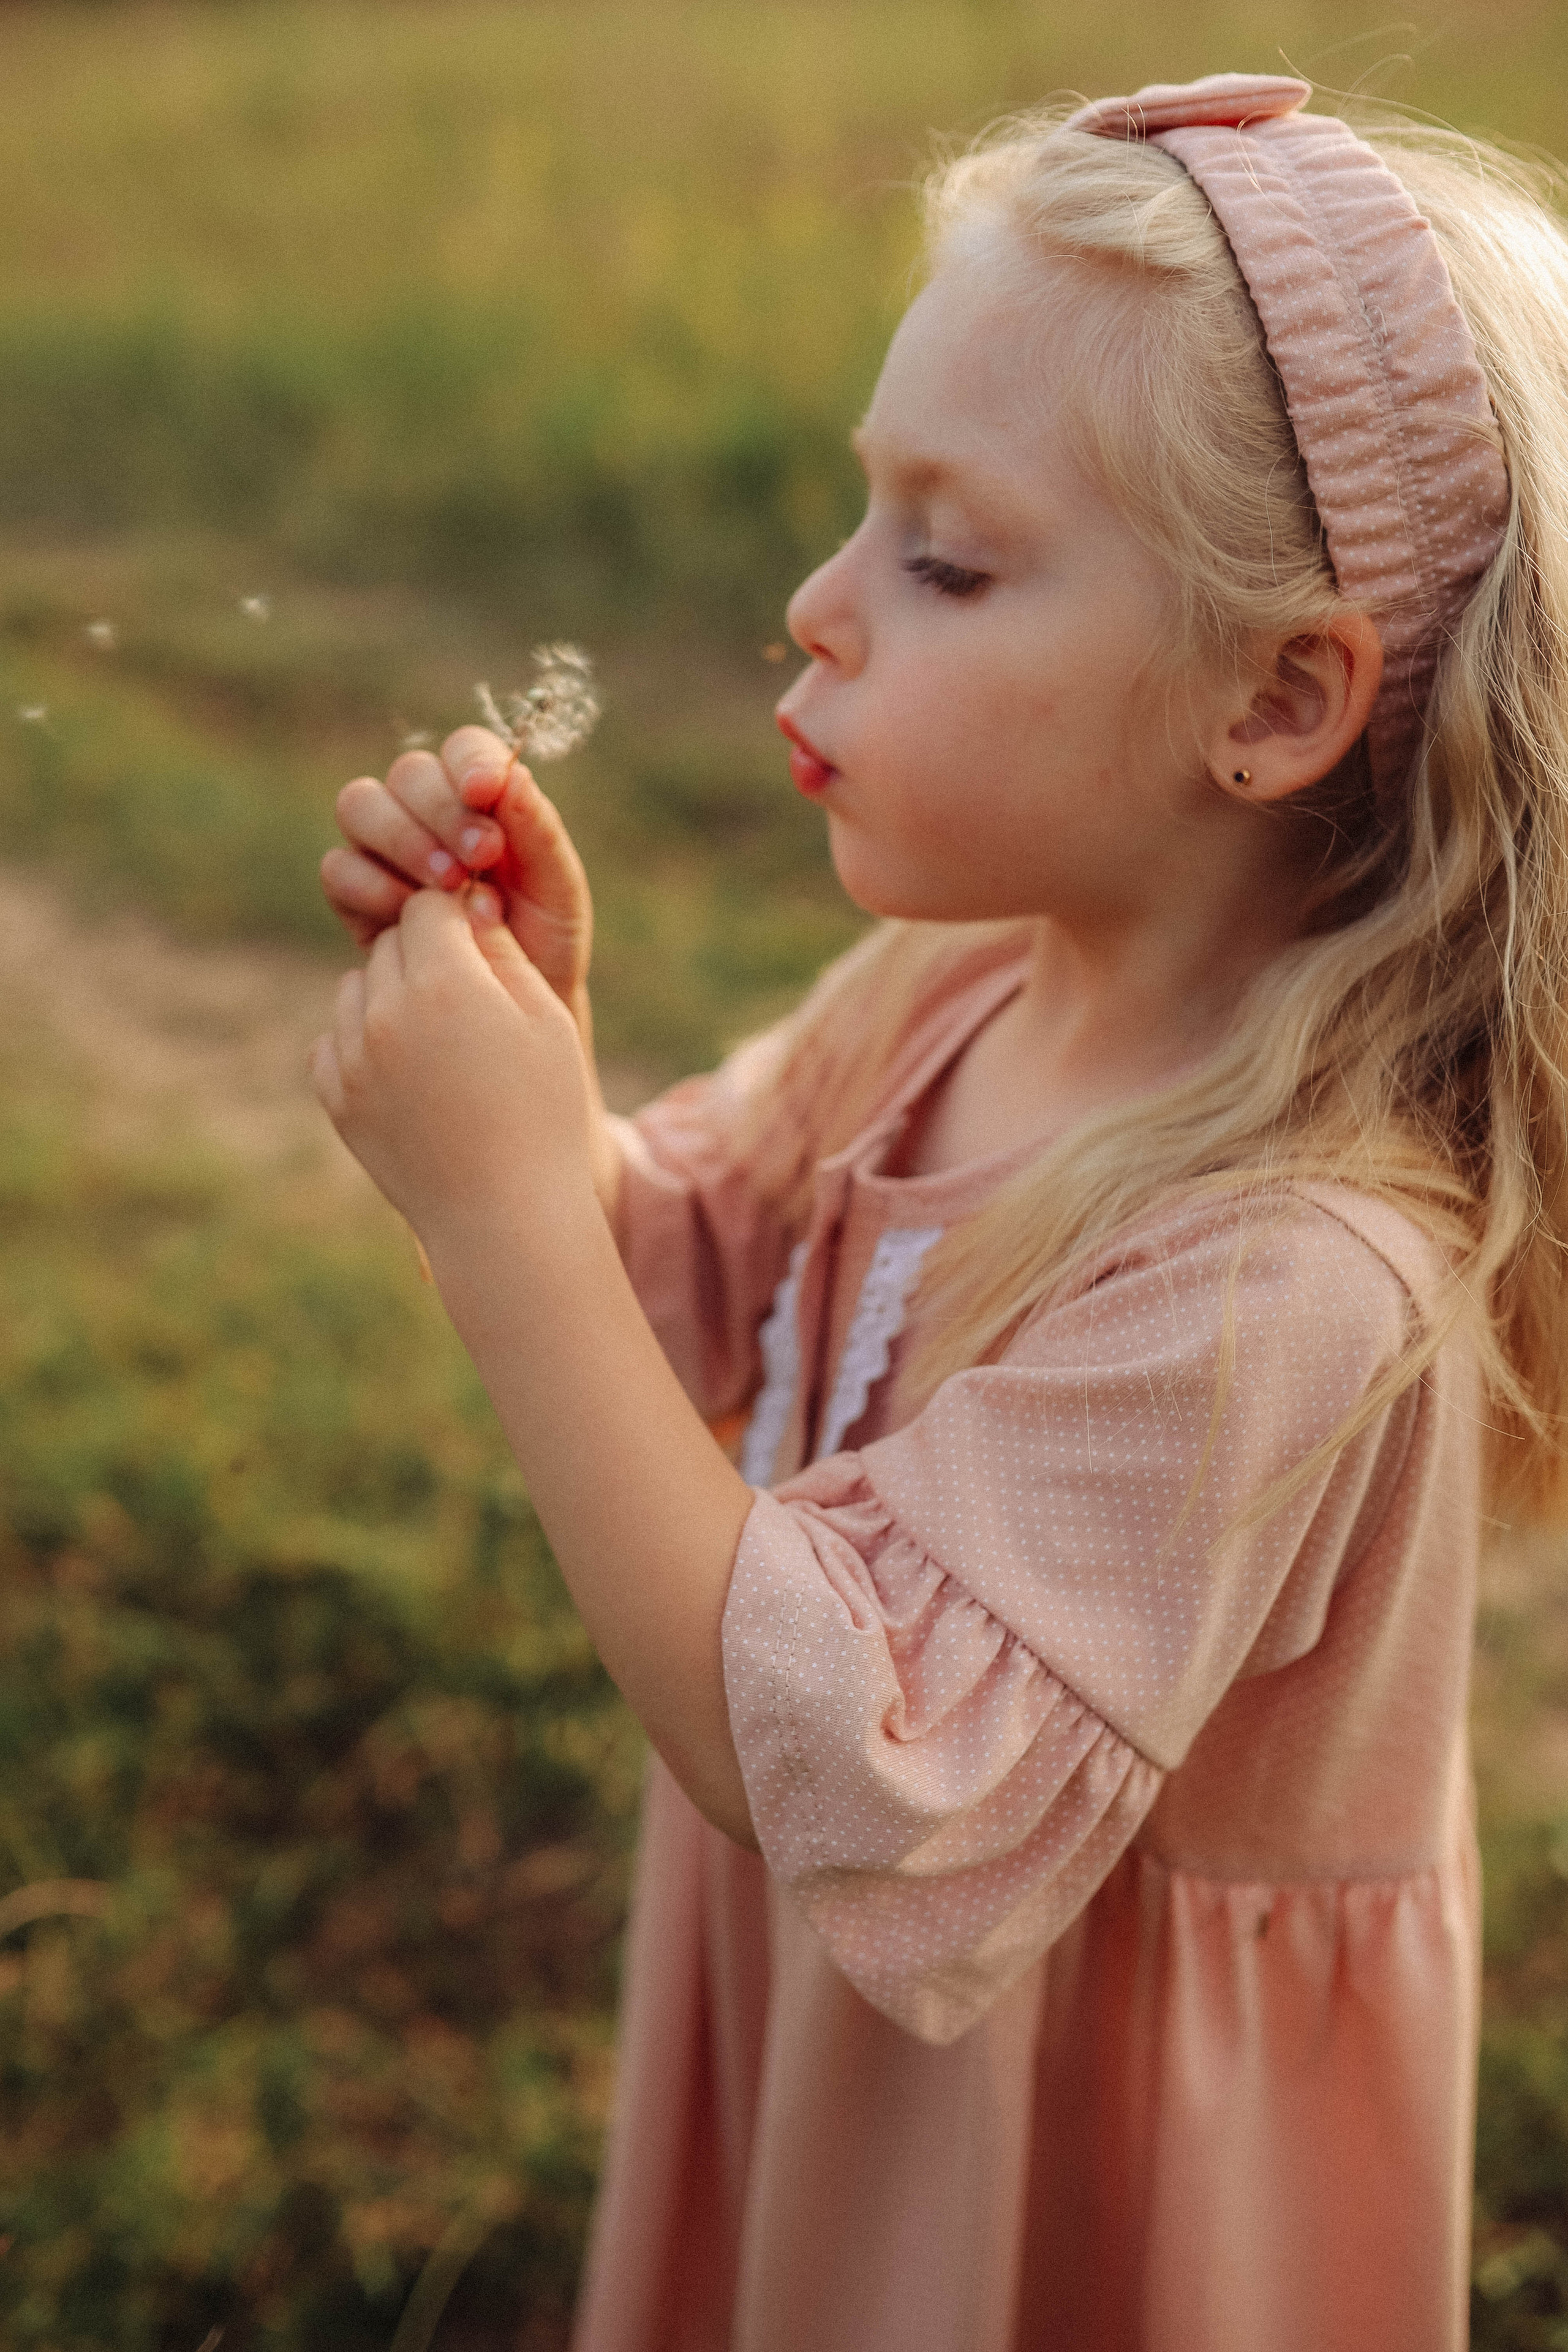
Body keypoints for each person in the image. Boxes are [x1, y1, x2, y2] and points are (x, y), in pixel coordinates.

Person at [312, 72, 1568, 2352]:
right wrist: (544, 1070)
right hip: (857, 2039)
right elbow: (695, 1284)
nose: (816, 605)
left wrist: (500, 1213)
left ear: (1276, 699)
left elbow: (837, 1764)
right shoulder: (962, 980)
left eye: (947, 557)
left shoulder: (1293, 1262)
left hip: (1087, 2170)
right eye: (857, 513)